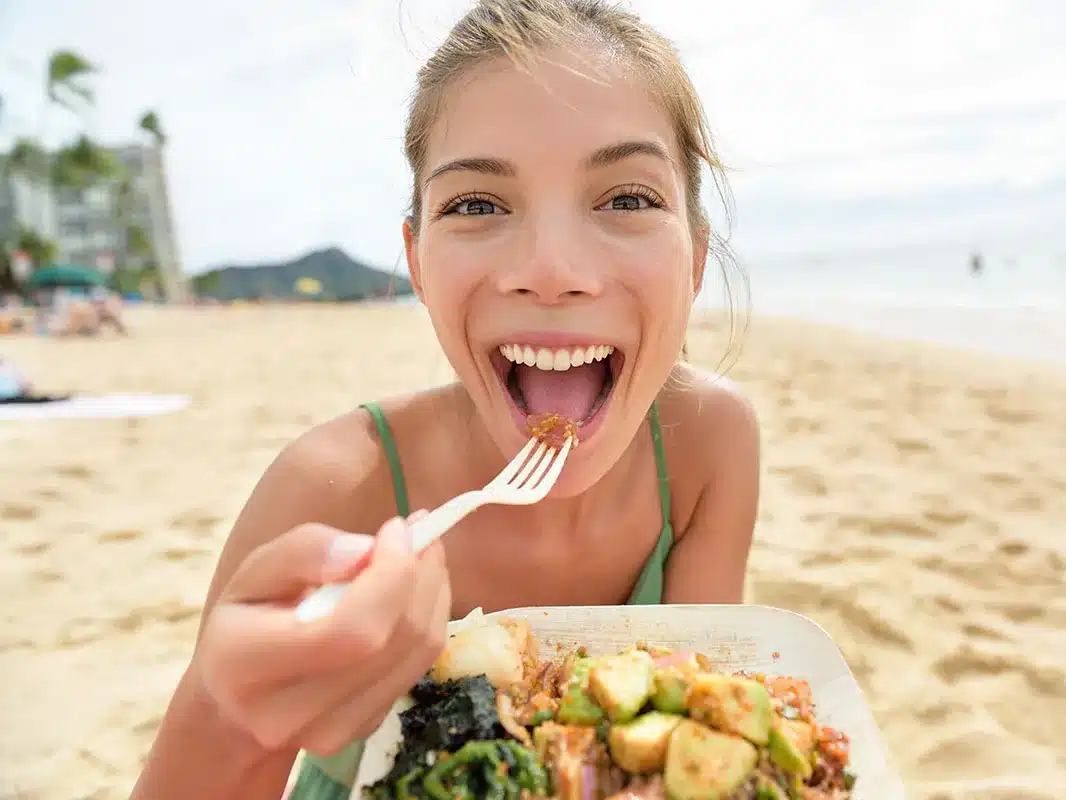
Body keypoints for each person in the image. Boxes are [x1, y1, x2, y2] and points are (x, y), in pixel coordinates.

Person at [131, 2, 760, 798]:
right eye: (476, 204)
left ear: (697, 258)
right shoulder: (334, 489)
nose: (553, 267)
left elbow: (696, 736)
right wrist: (230, 718)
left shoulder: (710, 445)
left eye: (627, 199)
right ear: (418, 262)